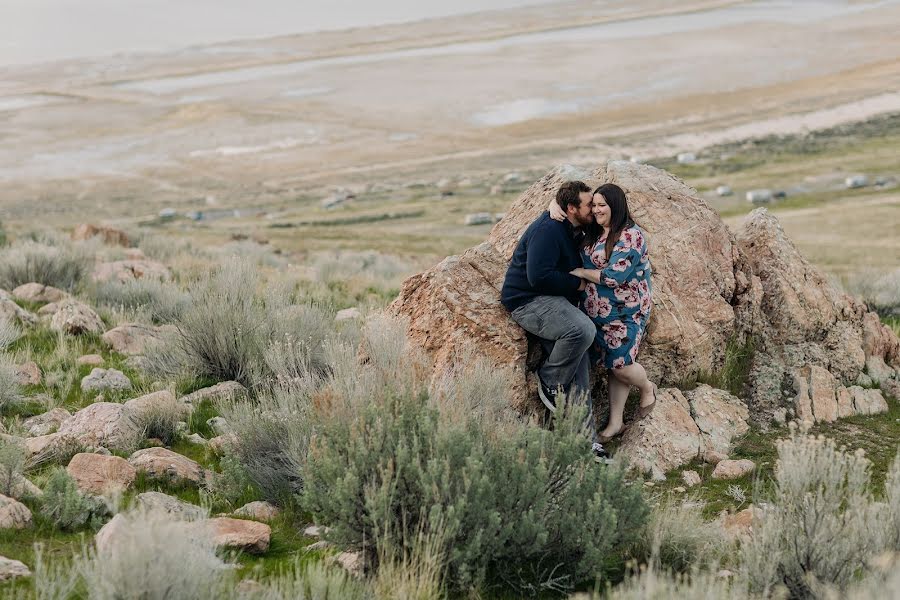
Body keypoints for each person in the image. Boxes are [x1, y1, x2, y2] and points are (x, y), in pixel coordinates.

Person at [501, 181, 612, 463]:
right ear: (571, 208)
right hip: (528, 300)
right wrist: (576, 284)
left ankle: (585, 442)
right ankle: (550, 380)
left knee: (580, 363)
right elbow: (537, 277)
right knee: (582, 329)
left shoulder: (575, 224)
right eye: (588, 204)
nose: (593, 209)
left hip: (554, 302)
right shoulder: (548, 230)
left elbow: (609, 218)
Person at [549, 183, 657, 443]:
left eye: (602, 205)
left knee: (621, 366)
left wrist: (581, 274)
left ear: (615, 206)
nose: (596, 210)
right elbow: (567, 205)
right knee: (612, 365)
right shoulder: (593, 231)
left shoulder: (631, 235)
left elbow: (614, 277)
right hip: (595, 313)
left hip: (626, 311)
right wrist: (553, 205)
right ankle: (616, 423)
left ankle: (647, 387)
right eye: (594, 205)